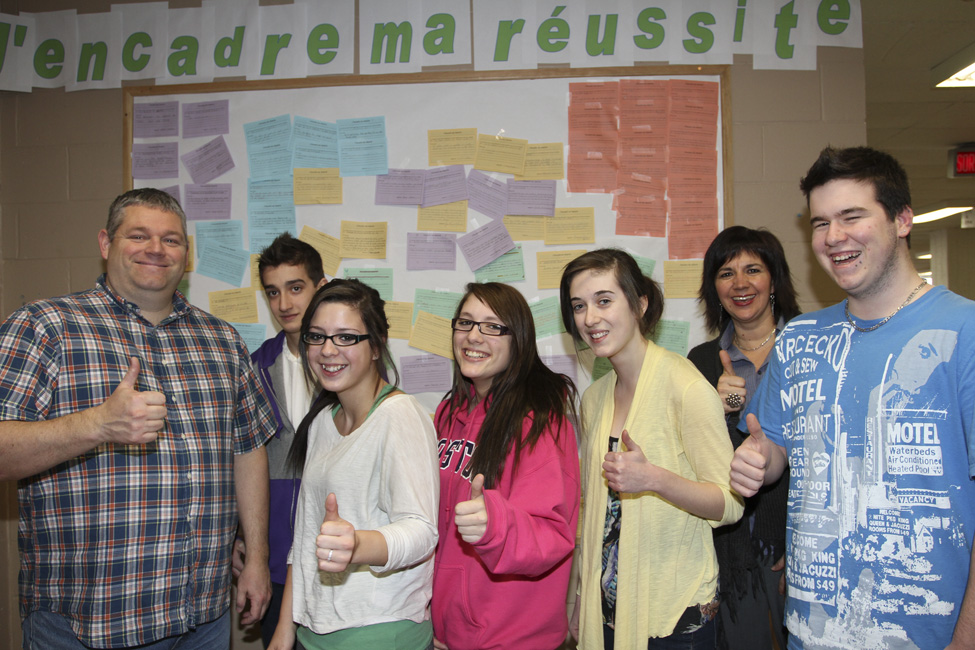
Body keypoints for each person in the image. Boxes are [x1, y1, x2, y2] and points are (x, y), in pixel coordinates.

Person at [0, 188, 276, 649]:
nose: (156, 249)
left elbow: (247, 450)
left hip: (202, 617)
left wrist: (257, 559)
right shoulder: (45, 326)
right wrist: (97, 425)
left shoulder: (222, 340)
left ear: (186, 256)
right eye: (140, 235)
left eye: (172, 240)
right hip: (87, 623)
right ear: (106, 244)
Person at [730, 146, 975, 650]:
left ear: (902, 219)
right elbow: (776, 447)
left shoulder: (964, 330)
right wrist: (760, 460)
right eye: (820, 223)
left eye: (852, 216)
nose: (833, 237)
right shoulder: (798, 337)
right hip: (811, 632)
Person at [560, 248, 744, 650]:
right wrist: (579, 596)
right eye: (579, 306)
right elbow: (592, 510)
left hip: (675, 615)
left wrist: (654, 479)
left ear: (640, 304)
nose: (590, 318)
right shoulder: (594, 399)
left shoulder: (687, 388)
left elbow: (730, 503)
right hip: (607, 608)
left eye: (604, 301)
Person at [268, 278, 438, 650]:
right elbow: (304, 537)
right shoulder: (322, 423)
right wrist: (284, 628)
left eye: (346, 337)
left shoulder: (401, 415)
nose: (328, 351)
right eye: (317, 337)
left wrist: (359, 544)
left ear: (376, 346)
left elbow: (422, 531)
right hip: (314, 630)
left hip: (378, 631)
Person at [431, 282, 580, 650]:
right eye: (465, 323)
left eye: (493, 326)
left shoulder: (539, 420)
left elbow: (552, 535)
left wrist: (495, 523)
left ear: (519, 340)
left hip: (512, 636)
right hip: (450, 631)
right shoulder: (447, 413)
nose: (474, 336)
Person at [687, 226, 801, 650]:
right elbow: (694, 462)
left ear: (774, 280)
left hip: (795, 534)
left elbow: (831, 453)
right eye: (725, 273)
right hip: (729, 546)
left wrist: (807, 543)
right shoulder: (700, 361)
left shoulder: (810, 345)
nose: (740, 284)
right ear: (713, 288)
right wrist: (720, 414)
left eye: (753, 269)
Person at [234, 233, 327, 647]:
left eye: (296, 288)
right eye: (273, 292)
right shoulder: (253, 369)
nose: (285, 304)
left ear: (320, 288)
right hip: (275, 557)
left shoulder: (350, 364)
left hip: (339, 560)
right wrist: (241, 535)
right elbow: (241, 458)